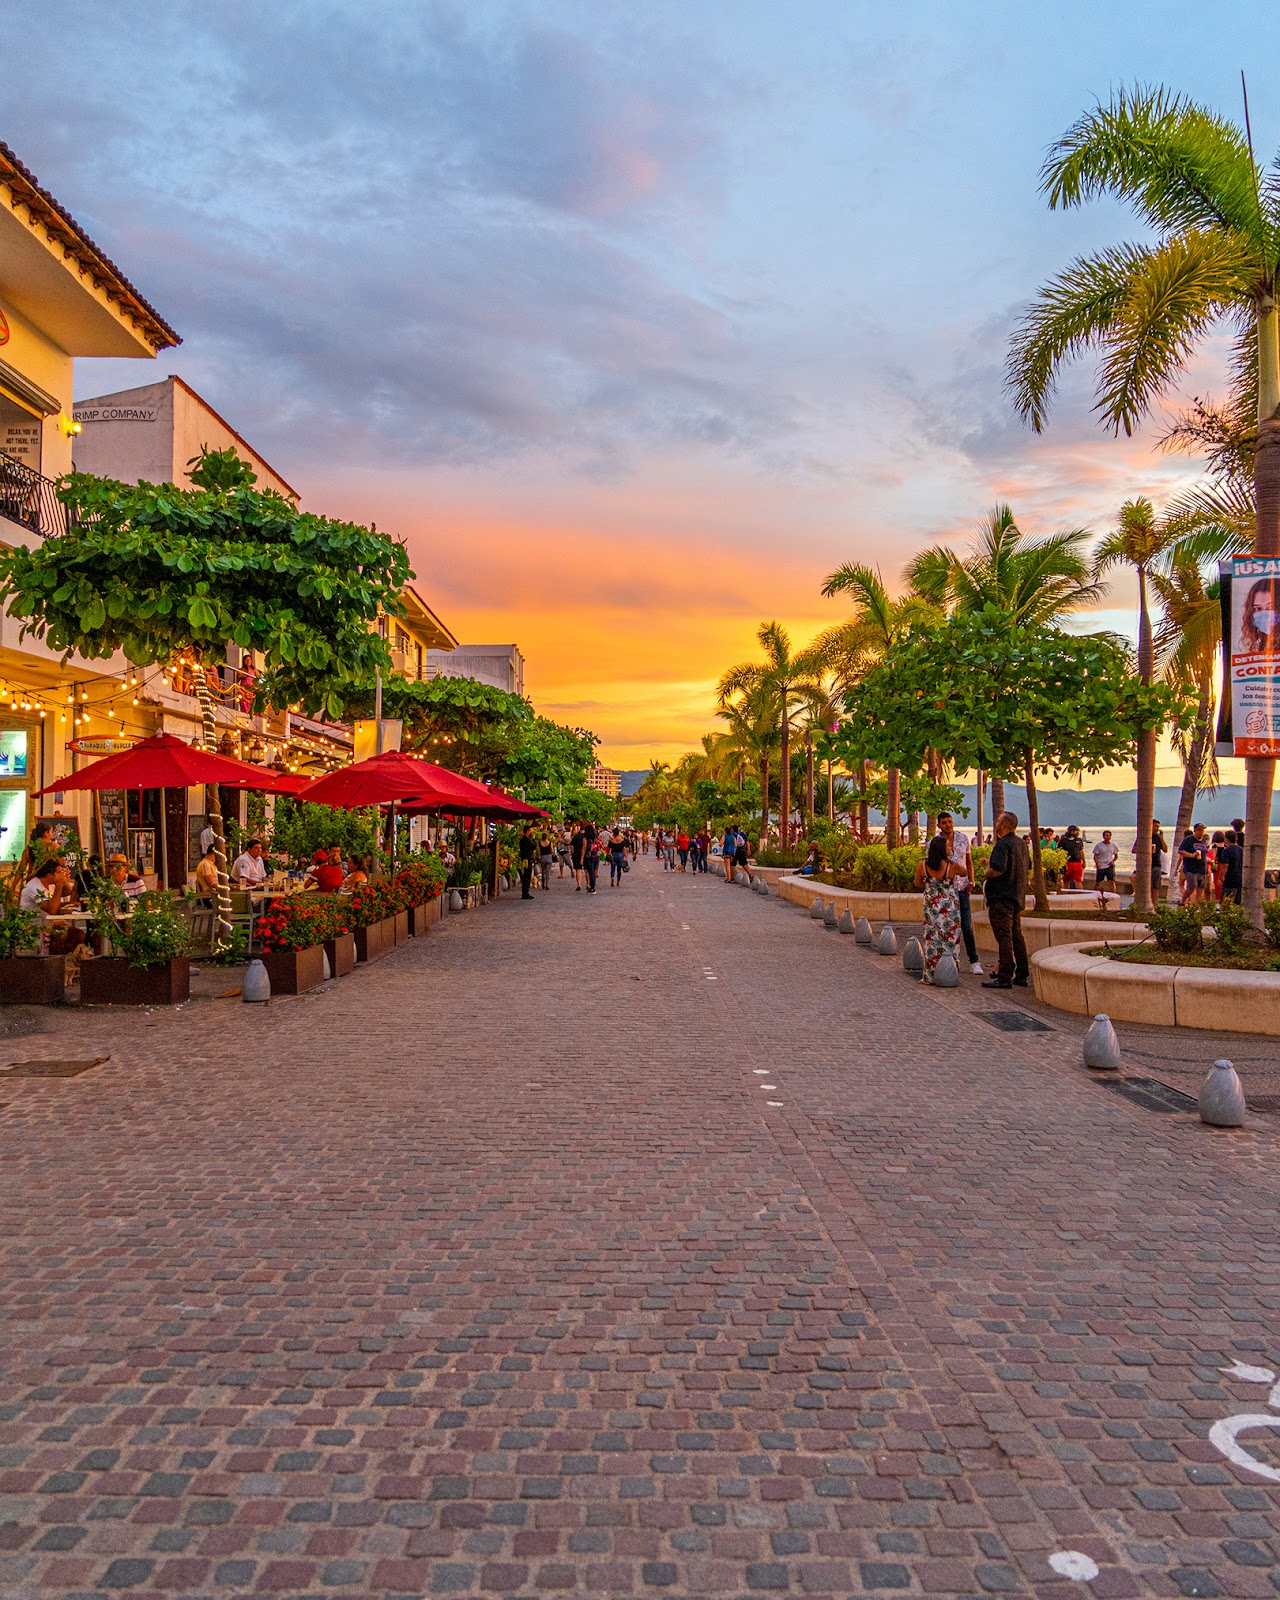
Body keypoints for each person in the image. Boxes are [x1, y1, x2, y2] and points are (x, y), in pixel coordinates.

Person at [981, 811, 1029, 990]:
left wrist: (987, 873)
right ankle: (1022, 974)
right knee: (1017, 935)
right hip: (1017, 896)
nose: (996, 823)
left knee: (1004, 937)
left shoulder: (1003, 844)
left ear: (1005, 825)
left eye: (999, 821)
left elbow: (998, 869)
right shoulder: (1021, 844)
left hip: (1001, 898)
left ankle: (1005, 976)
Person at [938, 812, 982, 975]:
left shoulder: (963, 839)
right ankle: (947, 961)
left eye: (950, 821)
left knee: (967, 926)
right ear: (939, 825)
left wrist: (972, 882)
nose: (948, 825)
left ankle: (974, 961)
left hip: (962, 889)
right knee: (946, 926)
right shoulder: (936, 843)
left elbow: (969, 862)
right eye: (944, 822)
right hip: (944, 891)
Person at [920, 822, 963, 984]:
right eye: (947, 845)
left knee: (931, 941)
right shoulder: (952, 867)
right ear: (941, 849)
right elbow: (965, 872)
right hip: (949, 910)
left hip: (931, 908)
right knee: (950, 941)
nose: (950, 847)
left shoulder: (922, 865)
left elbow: (917, 882)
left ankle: (930, 975)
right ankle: (950, 974)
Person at [1178, 822, 1211, 906]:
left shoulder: (1204, 840)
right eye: (1200, 830)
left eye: (1203, 830)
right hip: (1191, 868)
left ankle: (1196, 906)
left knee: (1201, 887)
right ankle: (1183, 900)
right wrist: (1191, 855)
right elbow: (1180, 851)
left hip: (1202, 868)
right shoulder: (1188, 839)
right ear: (1195, 831)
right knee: (1192, 886)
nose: (1202, 832)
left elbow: (1205, 853)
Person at [1218, 828, 1244, 905]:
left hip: (1230, 879)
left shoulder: (1227, 850)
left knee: (1225, 901)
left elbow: (1225, 866)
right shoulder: (1241, 849)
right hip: (1239, 878)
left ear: (1227, 839)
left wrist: (1220, 878)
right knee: (1237, 902)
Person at [1059, 825, 1085, 891]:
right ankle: (1065, 895)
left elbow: (1081, 851)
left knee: (1078, 880)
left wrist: (1083, 861)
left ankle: (1080, 895)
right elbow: (1060, 852)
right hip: (1067, 863)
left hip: (1077, 863)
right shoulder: (1063, 841)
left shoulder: (1079, 841)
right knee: (1066, 880)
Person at [517, 825, 536, 899]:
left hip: (524, 858)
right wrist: (533, 839)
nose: (531, 832)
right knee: (527, 876)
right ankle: (525, 893)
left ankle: (525, 892)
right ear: (527, 831)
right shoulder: (527, 840)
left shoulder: (522, 840)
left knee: (526, 876)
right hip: (527, 859)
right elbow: (534, 846)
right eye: (530, 831)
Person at [582, 829, 601, 893]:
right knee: (594, 872)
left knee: (591, 872)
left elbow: (584, 848)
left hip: (589, 857)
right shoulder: (595, 838)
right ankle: (592, 885)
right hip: (596, 856)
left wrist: (582, 858)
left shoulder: (585, 839)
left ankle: (592, 887)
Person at [570, 823, 585, 890]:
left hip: (576, 854)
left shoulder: (576, 836)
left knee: (578, 870)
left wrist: (572, 853)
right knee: (587, 869)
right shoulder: (586, 837)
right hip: (585, 854)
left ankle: (579, 884)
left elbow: (571, 846)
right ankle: (588, 884)